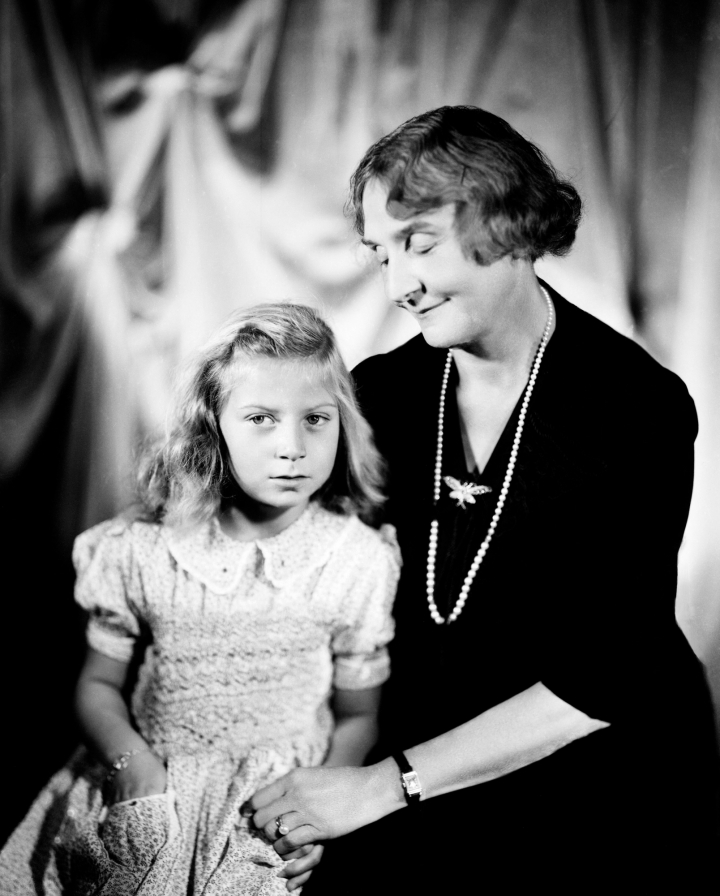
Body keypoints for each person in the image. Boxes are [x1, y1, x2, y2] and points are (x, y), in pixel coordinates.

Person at [244, 106, 720, 892]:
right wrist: (317, 792)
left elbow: (606, 678)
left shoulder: (635, 406)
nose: (399, 285)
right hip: (413, 772)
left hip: (601, 792)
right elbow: (335, 611)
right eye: (380, 253)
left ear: (508, 223)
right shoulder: (381, 394)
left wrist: (376, 788)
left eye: (419, 244)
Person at [0, 303, 400, 895]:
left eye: (316, 418)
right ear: (212, 424)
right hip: (150, 785)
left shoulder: (357, 560)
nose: (292, 445)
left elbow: (359, 715)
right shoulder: (142, 551)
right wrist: (129, 762)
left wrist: (315, 807)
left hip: (271, 808)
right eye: (261, 417)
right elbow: (97, 686)